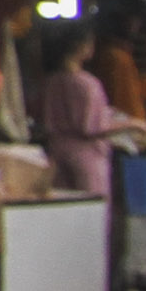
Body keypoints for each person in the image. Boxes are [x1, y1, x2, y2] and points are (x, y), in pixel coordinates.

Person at [34, 27, 120, 199]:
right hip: (87, 157)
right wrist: (134, 124)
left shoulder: (51, 82)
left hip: (57, 153)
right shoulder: (87, 83)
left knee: (64, 208)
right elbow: (93, 127)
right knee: (92, 209)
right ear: (80, 46)